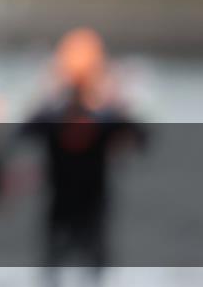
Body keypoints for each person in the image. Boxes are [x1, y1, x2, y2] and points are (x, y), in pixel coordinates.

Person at [17, 28, 145, 287]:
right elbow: (140, 136)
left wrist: (46, 95)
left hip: (80, 208)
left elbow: (24, 130)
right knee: (78, 265)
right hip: (74, 208)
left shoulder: (62, 117)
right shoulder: (100, 119)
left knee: (69, 265)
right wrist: (117, 99)